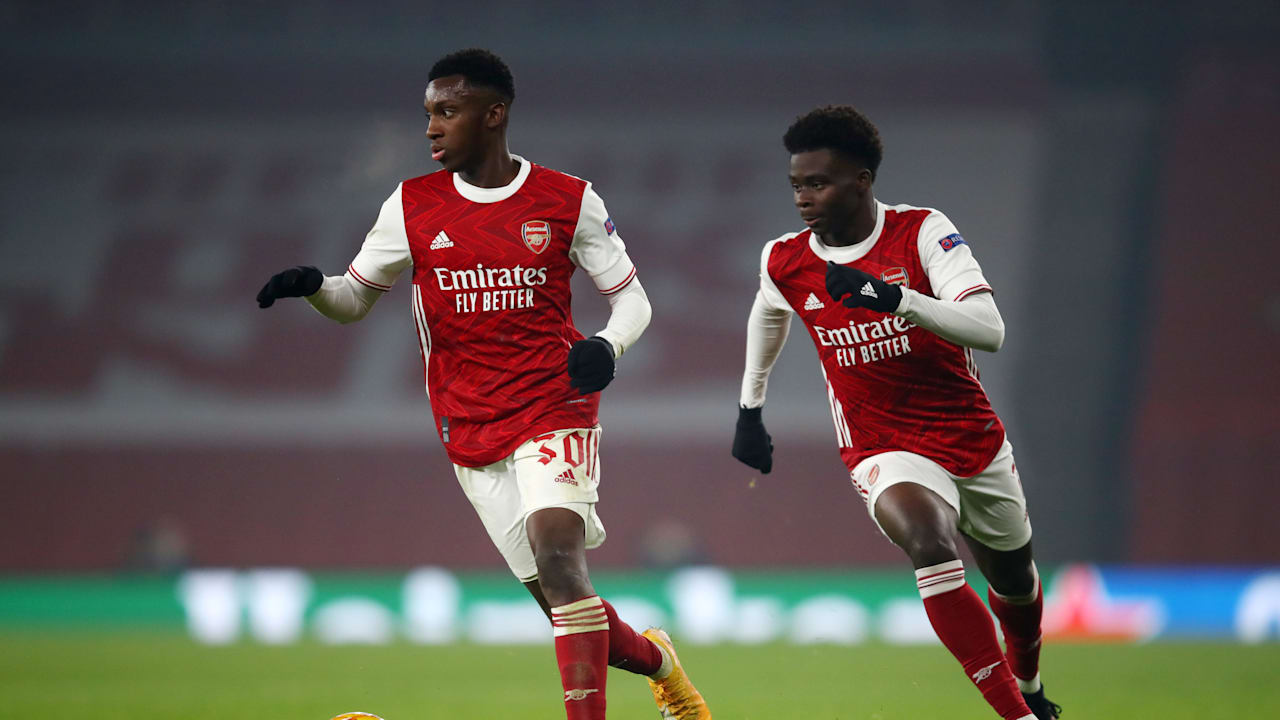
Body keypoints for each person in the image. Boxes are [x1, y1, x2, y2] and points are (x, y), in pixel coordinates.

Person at [257, 49, 710, 720]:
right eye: (428, 114)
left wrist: (605, 346)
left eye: (448, 111)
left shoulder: (567, 199)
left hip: (554, 406)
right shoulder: (411, 205)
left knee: (561, 560)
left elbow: (633, 301)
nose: (432, 127)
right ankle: (662, 665)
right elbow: (353, 298)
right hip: (469, 425)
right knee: (564, 605)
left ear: (493, 114)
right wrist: (314, 287)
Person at [731, 105, 1061, 720]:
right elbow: (769, 313)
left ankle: (1030, 681)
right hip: (881, 444)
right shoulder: (784, 259)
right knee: (929, 543)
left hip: (970, 437)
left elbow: (989, 329)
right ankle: (1016, 714)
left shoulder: (922, 232)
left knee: (1015, 583)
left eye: (819, 183)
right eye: (797, 185)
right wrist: (750, 408)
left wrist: (894, 298)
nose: (803, 198)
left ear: (861, 181)